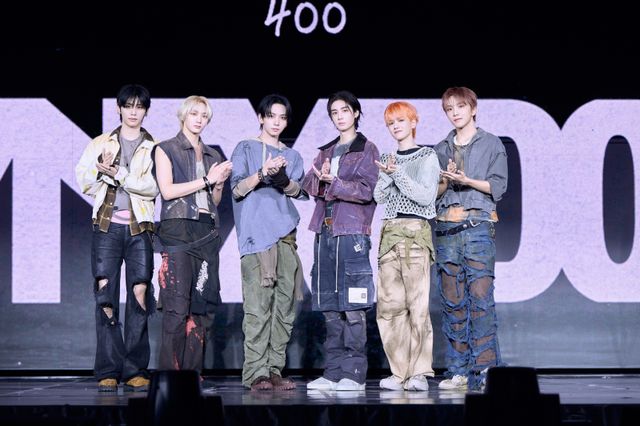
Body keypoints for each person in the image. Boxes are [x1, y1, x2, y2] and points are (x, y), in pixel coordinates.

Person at [75, 84, 158, 392]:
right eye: (128, 106)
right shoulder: (101, 142)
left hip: (140, 229)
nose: (133, 112)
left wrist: (119, 174)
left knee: (140, 293)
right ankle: (109, 368)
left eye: (139, 106)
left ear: (146, 111)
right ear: (119, 108)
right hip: (107, 228)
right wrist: (100, 170)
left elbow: (153, 187)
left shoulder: (154, 147)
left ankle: (135, 368)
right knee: (105, 295)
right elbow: (83, 180)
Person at [303, 90, 379, 392]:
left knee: (353, 306)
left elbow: (367, 190)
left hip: (352, 234)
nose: (339, 117)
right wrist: (319, 178)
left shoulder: (367, 148)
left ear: (356, 113)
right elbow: (309, 185)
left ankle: (355, 373)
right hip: (325, 233)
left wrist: (333, 183)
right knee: (330, 307)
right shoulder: (326, 151)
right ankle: (333, 372)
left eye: (345, 110)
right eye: (334, 112)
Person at [230, 94, 306, 391]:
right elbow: (237, 189)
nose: (276, 122)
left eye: (282, 117)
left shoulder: (293, 156)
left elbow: (299, 192)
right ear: (261, 117)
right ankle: (255, 372)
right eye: (271, 116)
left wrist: (283, 179)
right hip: (257, 239)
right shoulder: (246, 147)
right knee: (258, 308)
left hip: (286, 237)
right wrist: (263, 173)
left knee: (284, 309)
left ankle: (274, 369)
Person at [434, 87, 508, 390]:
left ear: (473, 108)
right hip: (446, 229)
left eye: (461, 106)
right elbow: (434, 193)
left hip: (477, 227)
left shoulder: (491, 143)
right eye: (449, 108)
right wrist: (444, 180)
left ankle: (486, 370)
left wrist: (467, 180)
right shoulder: (441, 148)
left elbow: (498, 187)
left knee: (480, 301)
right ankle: (458, 371)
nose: (455, 113)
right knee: (453, 303)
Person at [153, 95, 232, 376]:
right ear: (183, 115)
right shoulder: (166, 148)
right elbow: (167, 191)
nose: (199, 120)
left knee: (201, 306)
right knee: (177, 306)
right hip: (178, 229)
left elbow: (214, 200)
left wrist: (219, 184)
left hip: (206, 230)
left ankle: (192, 375)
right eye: (194, 113)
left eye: (204, 115)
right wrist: (208, 179)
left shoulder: (212, 155)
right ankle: (169, 378)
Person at [373, 101, 440, 391]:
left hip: (415, 233)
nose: (395, 127)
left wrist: (397, 173)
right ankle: (399, 372)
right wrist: (388, 174)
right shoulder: (388, 157)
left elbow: (425, 197)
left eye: (400, 120)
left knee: (418, 307)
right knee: (389, 307)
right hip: (390, 233)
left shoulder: (427, 156)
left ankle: (419, 372)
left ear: (413, 122)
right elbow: (379, 196)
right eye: (391, 123)